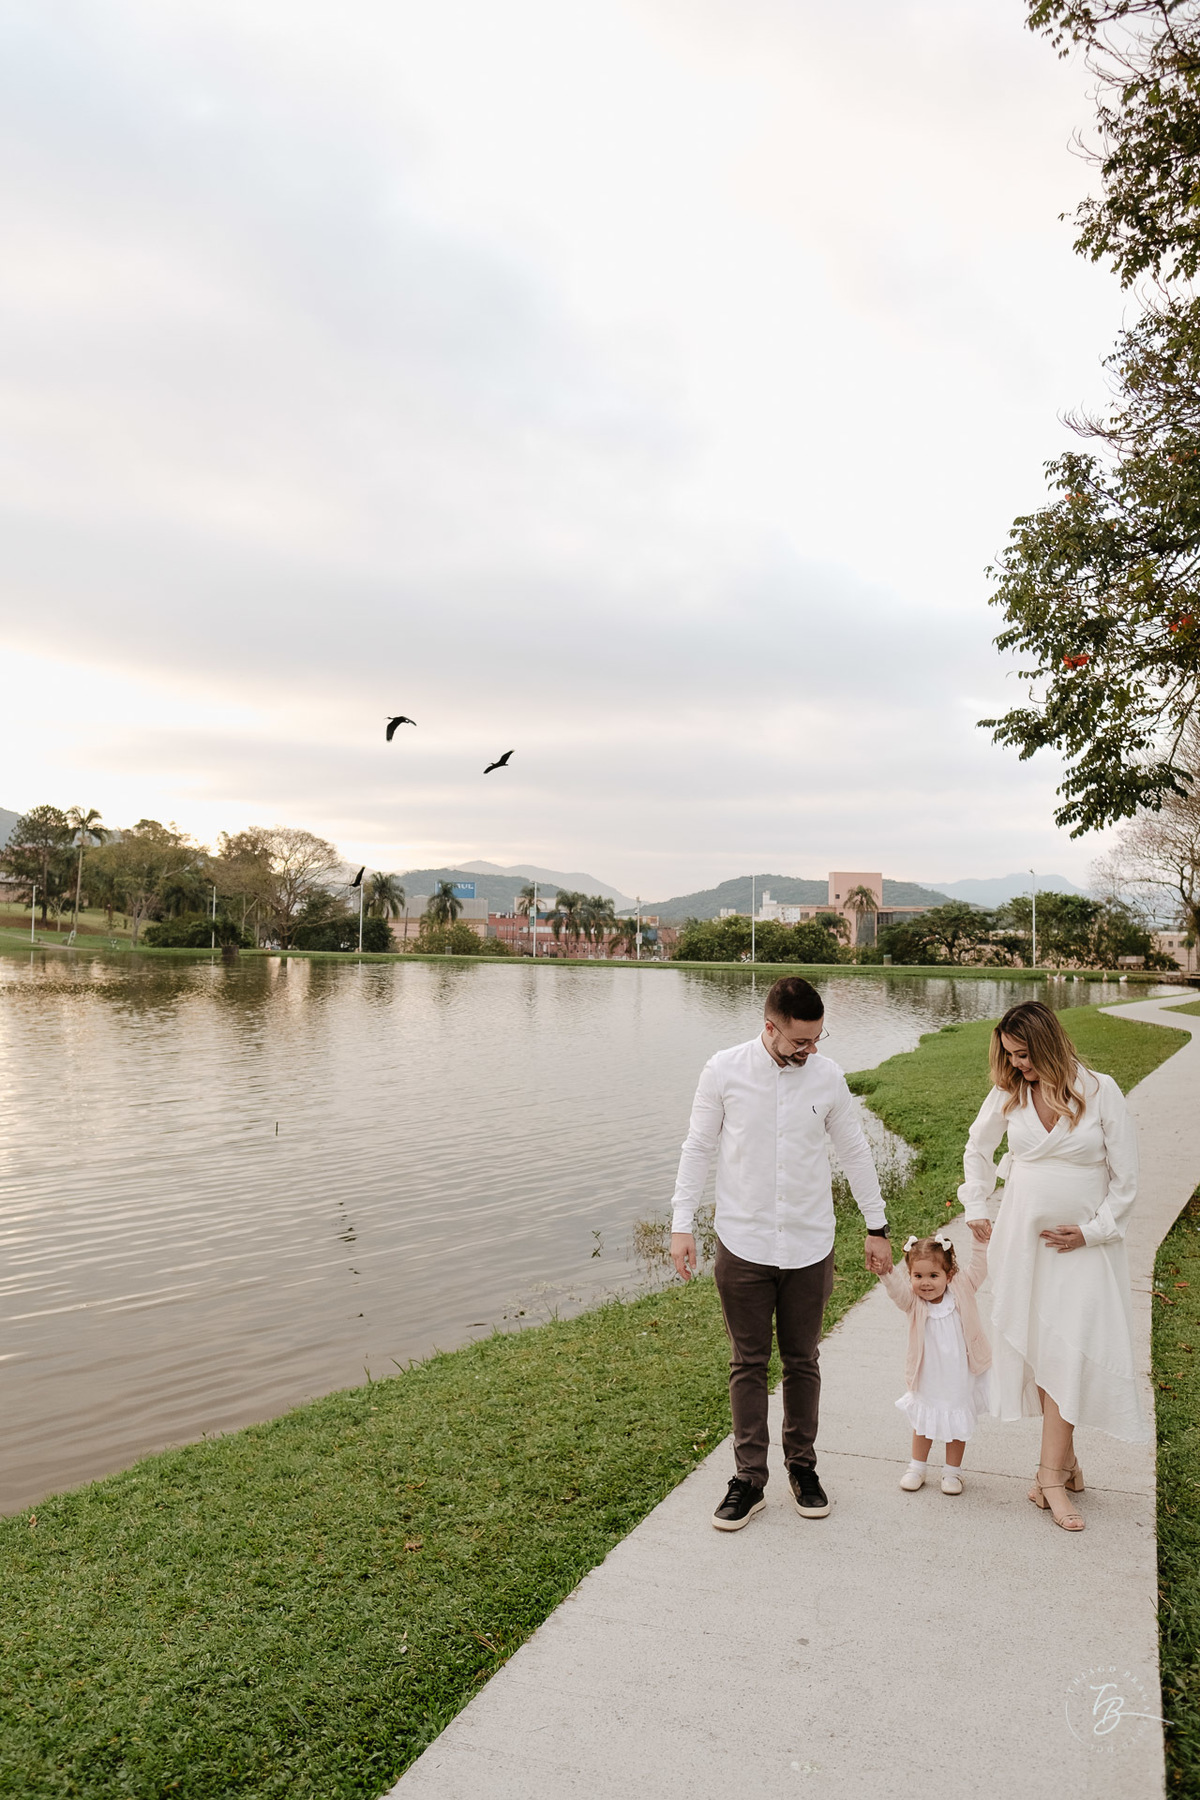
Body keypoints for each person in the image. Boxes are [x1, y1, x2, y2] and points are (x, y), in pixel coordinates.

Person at [670, 975, 890, 1531]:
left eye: (817, 1039)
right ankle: (748, 1479)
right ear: (769, 1027)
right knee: (747, 1362)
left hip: (810, 1243)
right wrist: (680, 1224)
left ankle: (803, 1467)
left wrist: (877, 1224)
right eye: (799, 1041)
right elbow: (698, 1146)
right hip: (743, 1243)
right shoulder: (723, 1070)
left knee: (802, 1360)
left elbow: (855, 1150)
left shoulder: (829, 1075)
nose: (810, 1050)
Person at [959, 1000, 1148, 1534]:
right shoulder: (1011, 1092)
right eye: (1010, 1055)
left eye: (1024, 1054)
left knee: (1070, 1348)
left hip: (1086, 1250)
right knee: (1047, 1352)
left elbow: (1126, 1180)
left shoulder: (1100, 1090)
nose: (1017, 1064)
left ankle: (1049, 1478)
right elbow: (978, 1149)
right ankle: (1065, 1462)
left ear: (1048, 1044)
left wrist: (1091, 1231)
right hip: (1025, 1244)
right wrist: (976, 1204)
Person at [879, 1231, 992, 1495]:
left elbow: (979, 1265)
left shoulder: (962, 1289)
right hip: (928, 1374)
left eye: (933, 1276)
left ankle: (953, 1472)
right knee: (924, 1420)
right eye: (917, 1276)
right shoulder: (914, 1302)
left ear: (949, 1275)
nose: (925, 1283)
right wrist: (886, 1273)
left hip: (960, 1374)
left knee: (957, 1420)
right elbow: (897, 1292)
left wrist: (979, 1239)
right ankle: (917, 1467)